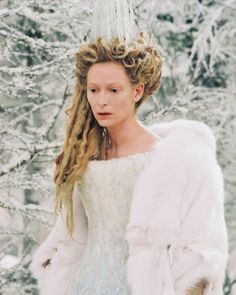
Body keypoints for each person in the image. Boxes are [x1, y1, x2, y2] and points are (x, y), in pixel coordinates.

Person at [29, 33, 228, 295]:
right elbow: (70, 239)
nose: (101, 100)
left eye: (113, 90)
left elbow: (201, 249)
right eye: (94, 90)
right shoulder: (84, 159)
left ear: (137, 91)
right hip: (86, 286)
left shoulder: (178, 160)